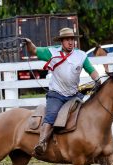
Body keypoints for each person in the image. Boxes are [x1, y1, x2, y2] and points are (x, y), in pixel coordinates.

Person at [24, 27, 101, 155]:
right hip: (56, 94)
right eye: (67, 40)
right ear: (61, 41)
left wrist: (97, 79)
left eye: (72, 39)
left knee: (87, 113)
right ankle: (41, 142)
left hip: (74, 95)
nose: (70, 42)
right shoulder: (52, 52)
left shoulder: (81, 55)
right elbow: (33, 50)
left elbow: (91, 70)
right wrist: (28, 43)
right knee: (51, 115)